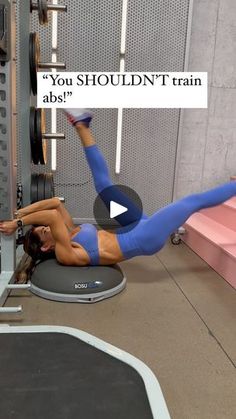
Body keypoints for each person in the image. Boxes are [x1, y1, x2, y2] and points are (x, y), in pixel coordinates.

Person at [1, 108, 236, 278]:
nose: (48, 227)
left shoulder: (70, 232)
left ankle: (81, 124)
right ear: (45, 247)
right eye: (44, 232)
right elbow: (51, 217)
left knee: (103, 186)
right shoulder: (65, 253)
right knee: (191, 202)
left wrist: (20, 211)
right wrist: (18, 223)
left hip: (133, 224)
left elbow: (54, 205)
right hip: (145, 237)